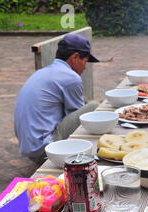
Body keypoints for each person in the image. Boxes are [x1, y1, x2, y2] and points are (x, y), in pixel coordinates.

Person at [14, 33, 100, 164]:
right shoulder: (71, 78)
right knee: (94, 107)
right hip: (44, 150)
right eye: (85, 61)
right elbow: (82, 123)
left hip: (30, 147)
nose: (85, 66)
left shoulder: (43, 72)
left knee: (86, 101)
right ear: (75, 57)